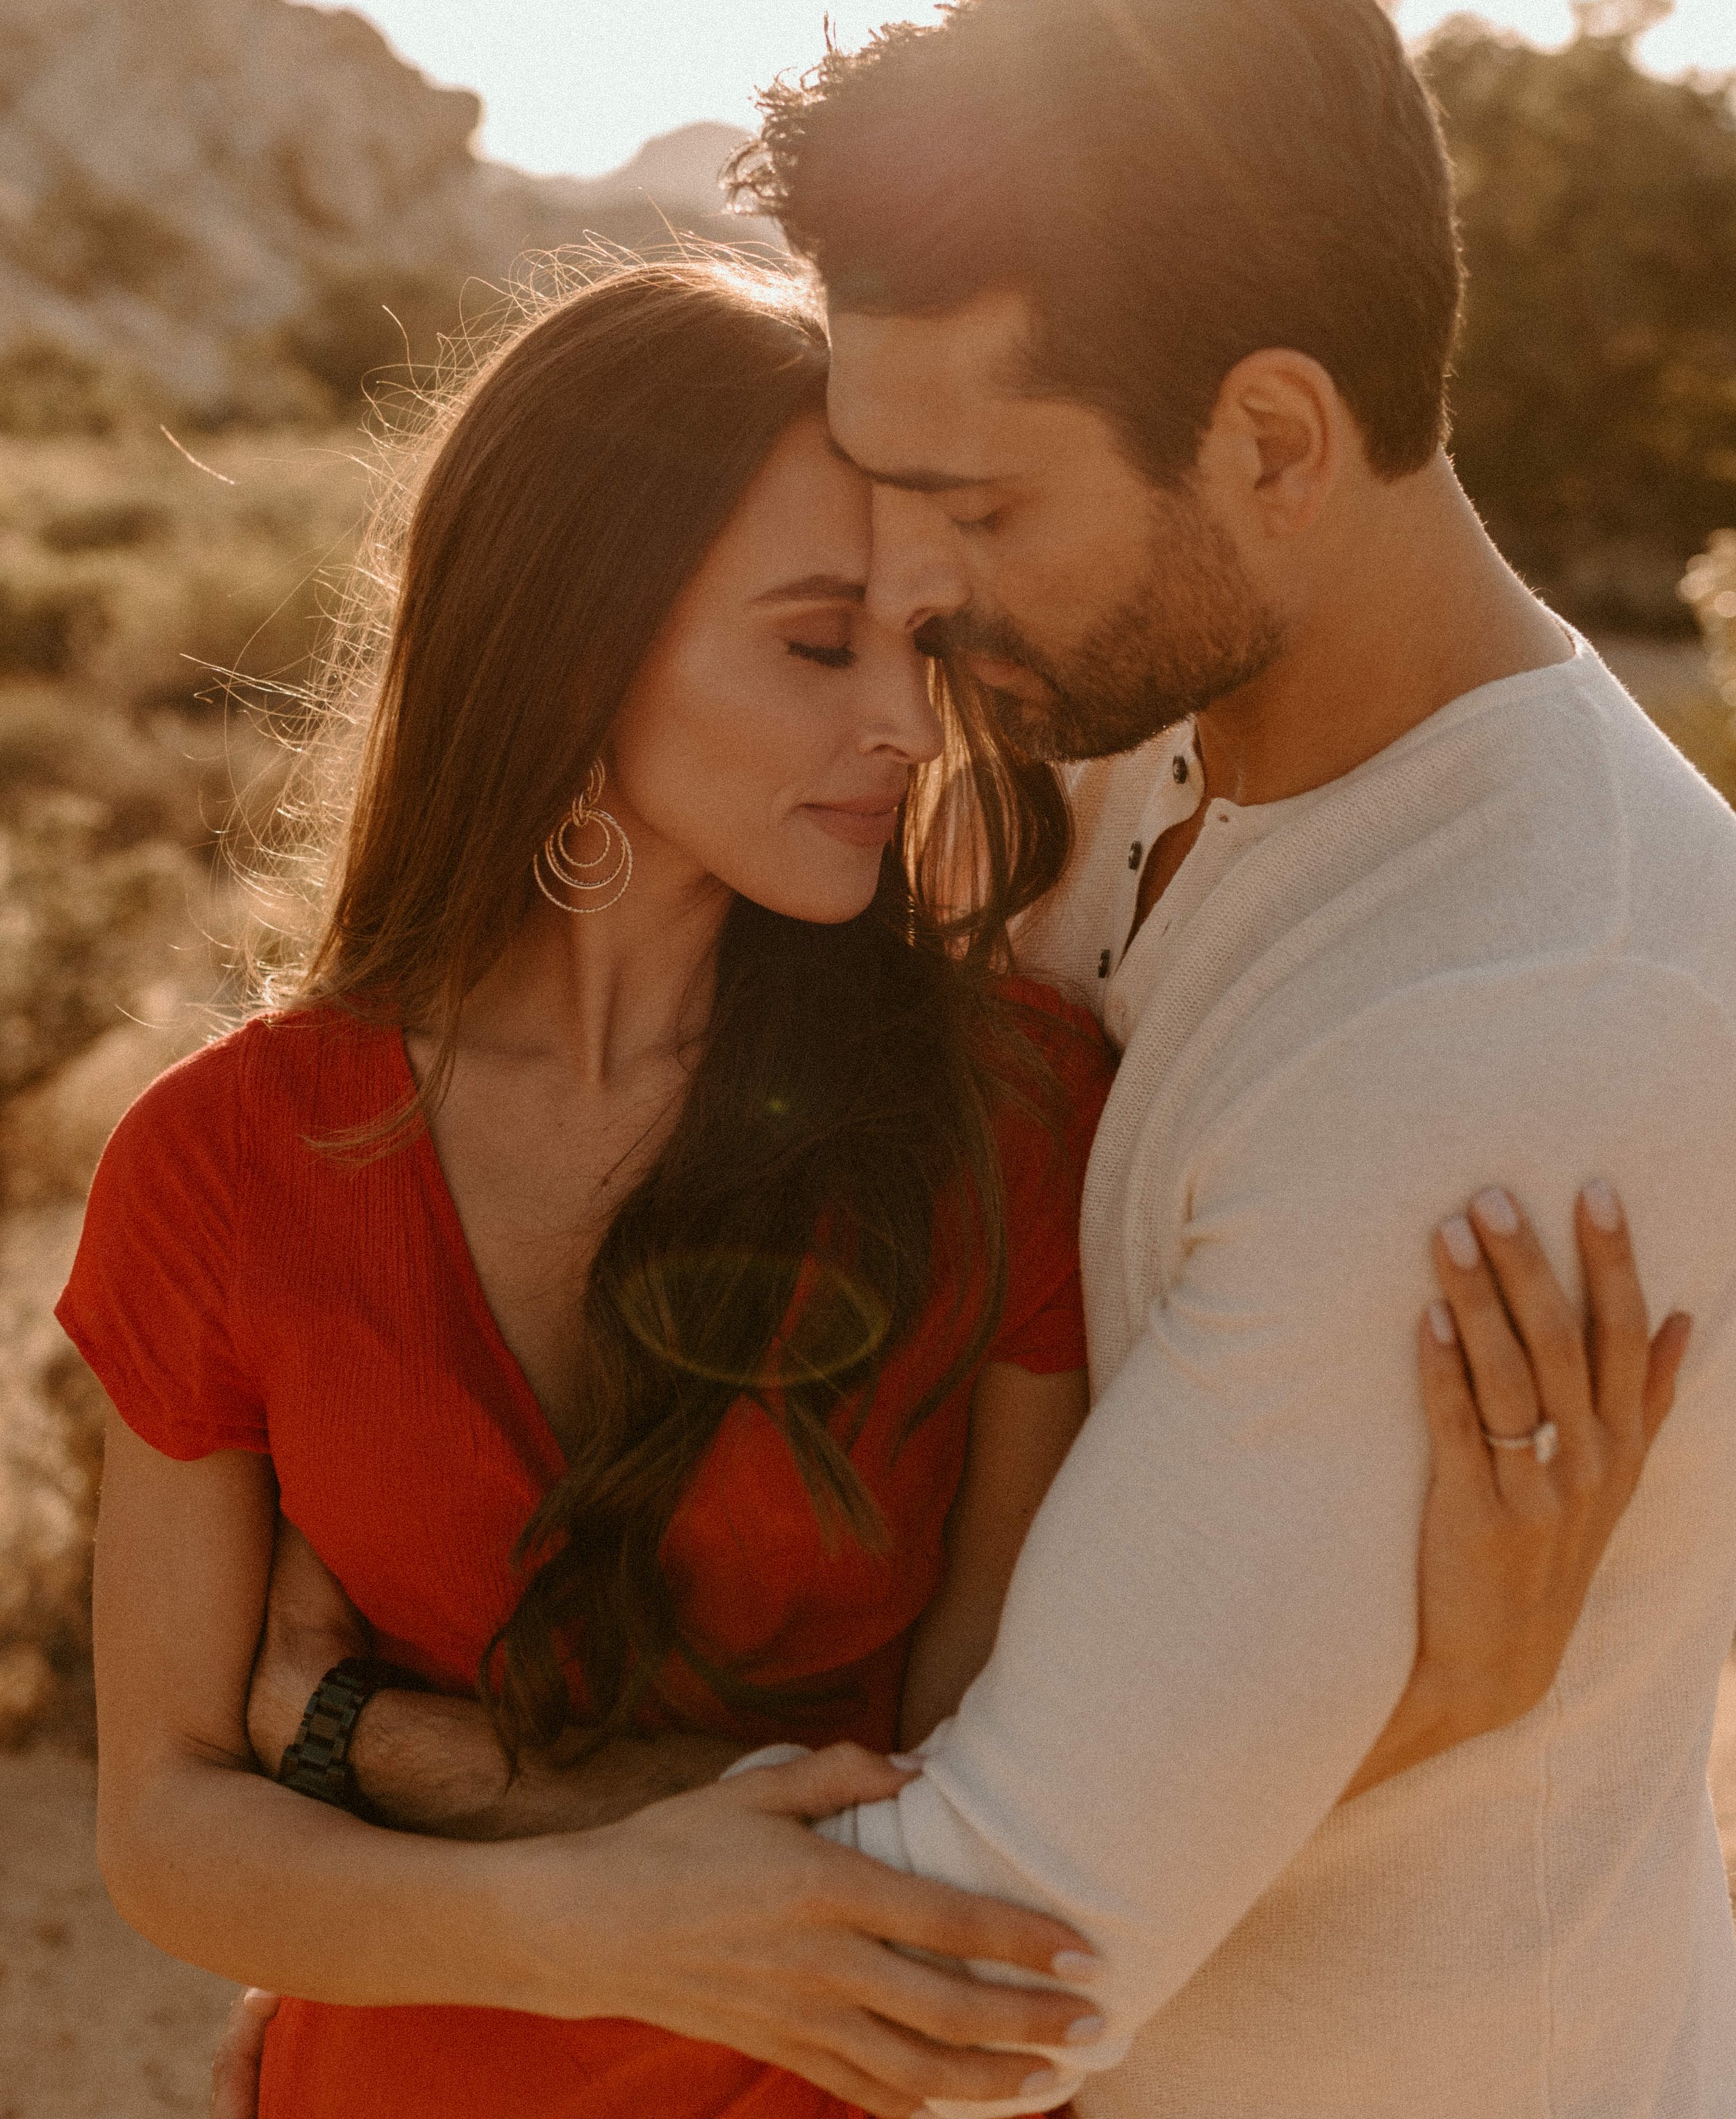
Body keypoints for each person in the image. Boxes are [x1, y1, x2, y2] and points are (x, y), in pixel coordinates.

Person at [66, 258, 1670, 2119]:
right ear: (569, 646)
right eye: (818, 642)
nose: (906, 721)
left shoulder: (999, 1109)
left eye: (927, 642)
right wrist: (582, 1920)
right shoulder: (221, 1158)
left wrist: (1440, 1697)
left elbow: (1003, 1799)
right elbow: (167, 1822)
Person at [702, 0, 1736, 2114]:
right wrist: (1409, 1710)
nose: (907, 588)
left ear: (1275, 436)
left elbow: (976, 1971)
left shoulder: (1519, 1014)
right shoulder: (1119, 743)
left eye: (976, 505)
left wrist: (357, 1796)